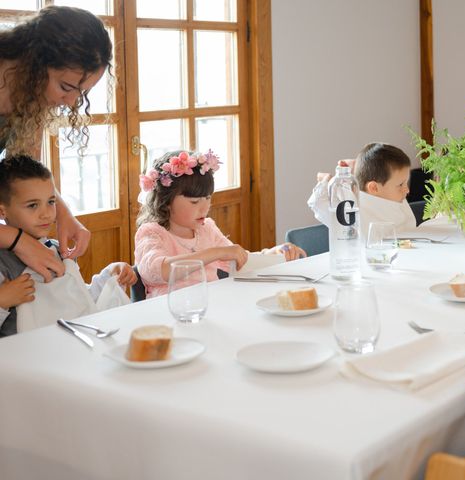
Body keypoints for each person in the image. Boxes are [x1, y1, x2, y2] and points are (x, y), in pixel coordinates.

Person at [0, 5, 112, 281]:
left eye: (81, 93)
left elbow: (24, 173)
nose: (71, 102)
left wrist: (63, 213)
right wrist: (15, 239)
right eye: (65, 87)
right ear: (34, 62)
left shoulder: (29, 98)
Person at [135, 150, 306, 298]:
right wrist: (216, 253)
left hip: (209, 307)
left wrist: (275, 254)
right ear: (166, 202)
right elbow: (157, 271)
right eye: (194, 202)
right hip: (167, 313)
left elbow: (239, 261)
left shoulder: (206, 228)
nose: (204, 207)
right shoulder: (151, 233)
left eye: (208, 198)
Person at [0, 155, 136, 337]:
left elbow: (78, 301)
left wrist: (109, 277)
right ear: (2, 211)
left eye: (51, 202)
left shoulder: (56, 249)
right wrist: (2, 301)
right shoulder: (3, 263)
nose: (47, 214)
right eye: (33, 205)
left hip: (70, 349)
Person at [308, 142, 418, 236]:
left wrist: (360, 167)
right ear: (374, 188)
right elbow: (317, 203)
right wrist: (326, 181)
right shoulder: (351, 207)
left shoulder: (395, 197)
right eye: (401, 185)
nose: (407, 190)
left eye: (406, 182)